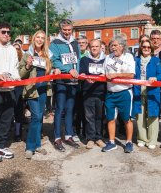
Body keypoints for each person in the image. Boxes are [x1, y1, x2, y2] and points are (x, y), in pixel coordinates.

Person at [0, 22, 20, 162]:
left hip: (10, 88)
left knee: (7, 118)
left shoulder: (12, 49)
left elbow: (14, 65)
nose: (6, 34)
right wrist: (0, 75)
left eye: (8, 32)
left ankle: (1, 145)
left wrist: (14, 77)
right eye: (3, 32)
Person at [49, 19, 81, 151]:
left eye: (69, 30)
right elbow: (54, 60)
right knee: (60, 109)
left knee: (70, 109)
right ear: (61, 30)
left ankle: (68, 135)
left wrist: (77, 72)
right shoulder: (54, 43)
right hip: (62, 81)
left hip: (73, 81)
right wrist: (68, 70)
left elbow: (77, 59)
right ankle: (57, 138)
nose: (67, 32)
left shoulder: (75, 42)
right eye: (65, 30)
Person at [19, 30, 51, 159]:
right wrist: (27, 66)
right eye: (38, 37)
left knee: (40, 117)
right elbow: (20, 74)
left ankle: (38, 145)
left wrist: (54, 70)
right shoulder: (27, 55)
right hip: (32, 89)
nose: (40, 40)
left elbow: (49, 72)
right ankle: (30, 147)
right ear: (33, 39)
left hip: (43, 89)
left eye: (42, 38)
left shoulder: (47, 55)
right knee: (36, 116)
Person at [102, 35, 136, 153]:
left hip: (124, 92)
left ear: (122, 46)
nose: (113, 48)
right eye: (111, 45)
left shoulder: (128, 57)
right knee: (110, 118)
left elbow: (131, 74)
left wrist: (115, 75)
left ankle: (129, 142)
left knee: (127, 119)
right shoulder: (108, 58)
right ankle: (111, 142)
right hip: (110, 93)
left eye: (115, 45)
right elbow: (103, 73)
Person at [132, 38, 161, 149]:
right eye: (144, 47)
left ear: (151, 49)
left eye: (148, 47)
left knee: (153, 115)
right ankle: (141, 138)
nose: (146, 49)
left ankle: (152, 140)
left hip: (152, 91)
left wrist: (156, 78)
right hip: (138, 90)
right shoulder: (135, 60)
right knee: (139, 116)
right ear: (141, 48)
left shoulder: (156, 60)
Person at [79, 39, 107, 149]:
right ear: (89, 48)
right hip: (88, 92)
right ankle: (90, 138)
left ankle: (99, 138)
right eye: (92, 46)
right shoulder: (84, 60)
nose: (94, 48)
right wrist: (85, 77)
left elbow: (107, 72)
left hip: (101, 92)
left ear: (101, 48)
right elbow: (81, 73)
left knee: (99, 116)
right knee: (89, 116)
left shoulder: (106, 60)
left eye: (97, 46)